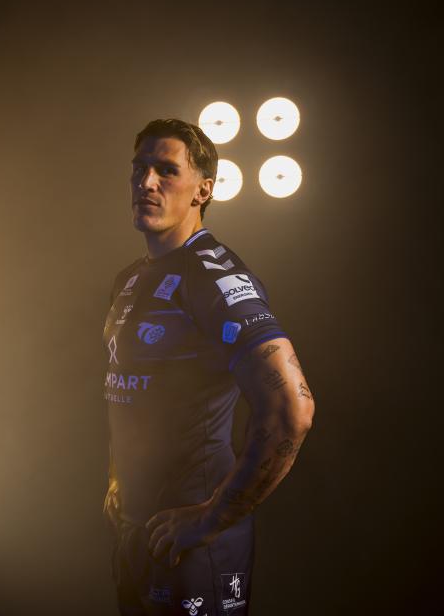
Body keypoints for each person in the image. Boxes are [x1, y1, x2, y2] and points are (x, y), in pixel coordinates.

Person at [102, 118, 315, 615]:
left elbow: (293, 409)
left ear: (204, 189)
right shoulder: (131, 279)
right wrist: (118, 477)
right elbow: (128, 391)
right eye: (138, 169)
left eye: (165, 171)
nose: (146, 183)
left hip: (193, 545)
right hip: (136, 533)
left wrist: (212, 518)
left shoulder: (215, 277)